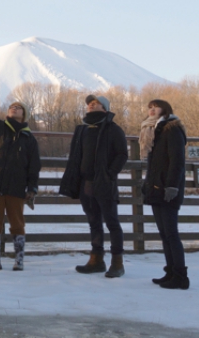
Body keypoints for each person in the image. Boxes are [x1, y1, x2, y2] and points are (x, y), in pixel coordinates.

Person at [61, 94, 128, 277]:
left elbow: (122, 154)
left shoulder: (113, 129)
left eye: (96, 103)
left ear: (105, 108)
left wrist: (109, 174)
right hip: (85, 184)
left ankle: (117, 262)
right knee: (94, 223)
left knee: (112, 222)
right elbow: (76, 156)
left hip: (104, 184)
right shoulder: (82, 130)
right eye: (90, 103)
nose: (91, 105)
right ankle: (96, 259)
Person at [0, 77, 41, 271]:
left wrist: (32, 188)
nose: (14, 108)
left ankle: (19, 259)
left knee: (17, 224)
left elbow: (34, 166)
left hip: (16, 187)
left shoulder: (29, 139)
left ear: (24, 115)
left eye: (18, 107)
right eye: (12, 107)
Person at [141, 99, 189, 290]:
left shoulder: (172, 129)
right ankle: (170, 271)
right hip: (156, 187)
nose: (152, 110)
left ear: (165, 109)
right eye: (149, 108)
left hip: (168, 189)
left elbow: (177, 160)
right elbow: (154, 164)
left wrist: (172, 186)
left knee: (171, 233)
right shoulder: (154, 130)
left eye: (155, 107)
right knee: (164, 234)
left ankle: (180, 276)